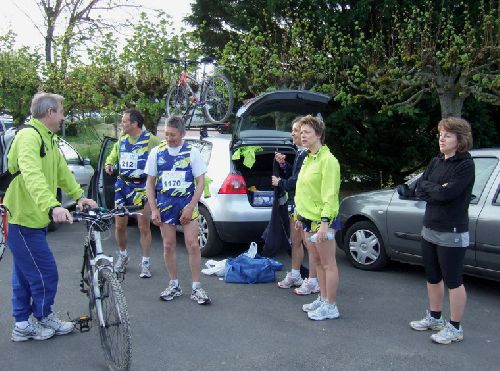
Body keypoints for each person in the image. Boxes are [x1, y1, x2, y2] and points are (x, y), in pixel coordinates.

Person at [5, 92, 97, 342]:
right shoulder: (28, 137)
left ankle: (22, 325)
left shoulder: (48, 138)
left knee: (24, 275)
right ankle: (43, 316)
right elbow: (31, 174)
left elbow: (61, 172)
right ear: (49, 113)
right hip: (21, 219)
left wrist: (79, 196)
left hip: (32, 220)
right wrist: (52, 206)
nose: (64, 117)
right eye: (61, 111)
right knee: (45, 274)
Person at [409, 117, 474, 344]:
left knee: (453, 280)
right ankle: (435, 318)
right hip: (430, 227)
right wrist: (433, 188)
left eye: (447, 135)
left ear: (460, 139)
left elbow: (447, 195)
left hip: (452, 230)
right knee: (432, 276)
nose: (441, 139)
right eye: (440, 134)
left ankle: (455, 328)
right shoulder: (436, 162)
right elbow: (420, 188)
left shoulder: (465, 164)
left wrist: (435, 190)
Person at [145, 116, 210, 305]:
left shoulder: (192, 152)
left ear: (182, 134)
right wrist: (154, 209)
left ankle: (197, 287)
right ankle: (174, 284)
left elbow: (200, 182)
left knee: (192, 244)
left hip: (187, 204)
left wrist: (191, 207)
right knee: (168, 245)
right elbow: (149, 182)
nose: (169, 138)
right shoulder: (157, 152)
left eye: (173, 135)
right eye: (166, 134)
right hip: (165, 204)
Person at [294, 115, 341, 321]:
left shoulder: (328, 161)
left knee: (328, 263)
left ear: (319, 134)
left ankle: (331, 305)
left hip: (322, 221)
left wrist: (324, 223)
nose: (302, 136)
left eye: (307, 132)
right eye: (301, 132)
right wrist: (298, 214)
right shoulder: (307, 158)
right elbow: (302, 189)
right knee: (318, 261)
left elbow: (330, 194)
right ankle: (323, 298)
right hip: (307, 219)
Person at [104, 109, 161, 278]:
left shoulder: (151, 140)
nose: (122, 124)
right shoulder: (122, 140)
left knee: (143, 226)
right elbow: (113, 155)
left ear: (135, 124)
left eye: (125, 121)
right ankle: (122, 256)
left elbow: (162, 158)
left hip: (142, 187)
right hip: (123, 186)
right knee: (120, 225)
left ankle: (145, 262)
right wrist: (109, 163)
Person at [272, 117, 320, 295]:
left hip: (304, 205)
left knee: (309, 243)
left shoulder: (309, 154)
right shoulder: (300, 153)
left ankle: (314, 280)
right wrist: (284, 164)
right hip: (296, 203)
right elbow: (295, 175)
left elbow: (297, 182)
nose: (293, 133)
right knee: (296, 240)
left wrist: (280, 182)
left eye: (297, 130)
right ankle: (295, 274)